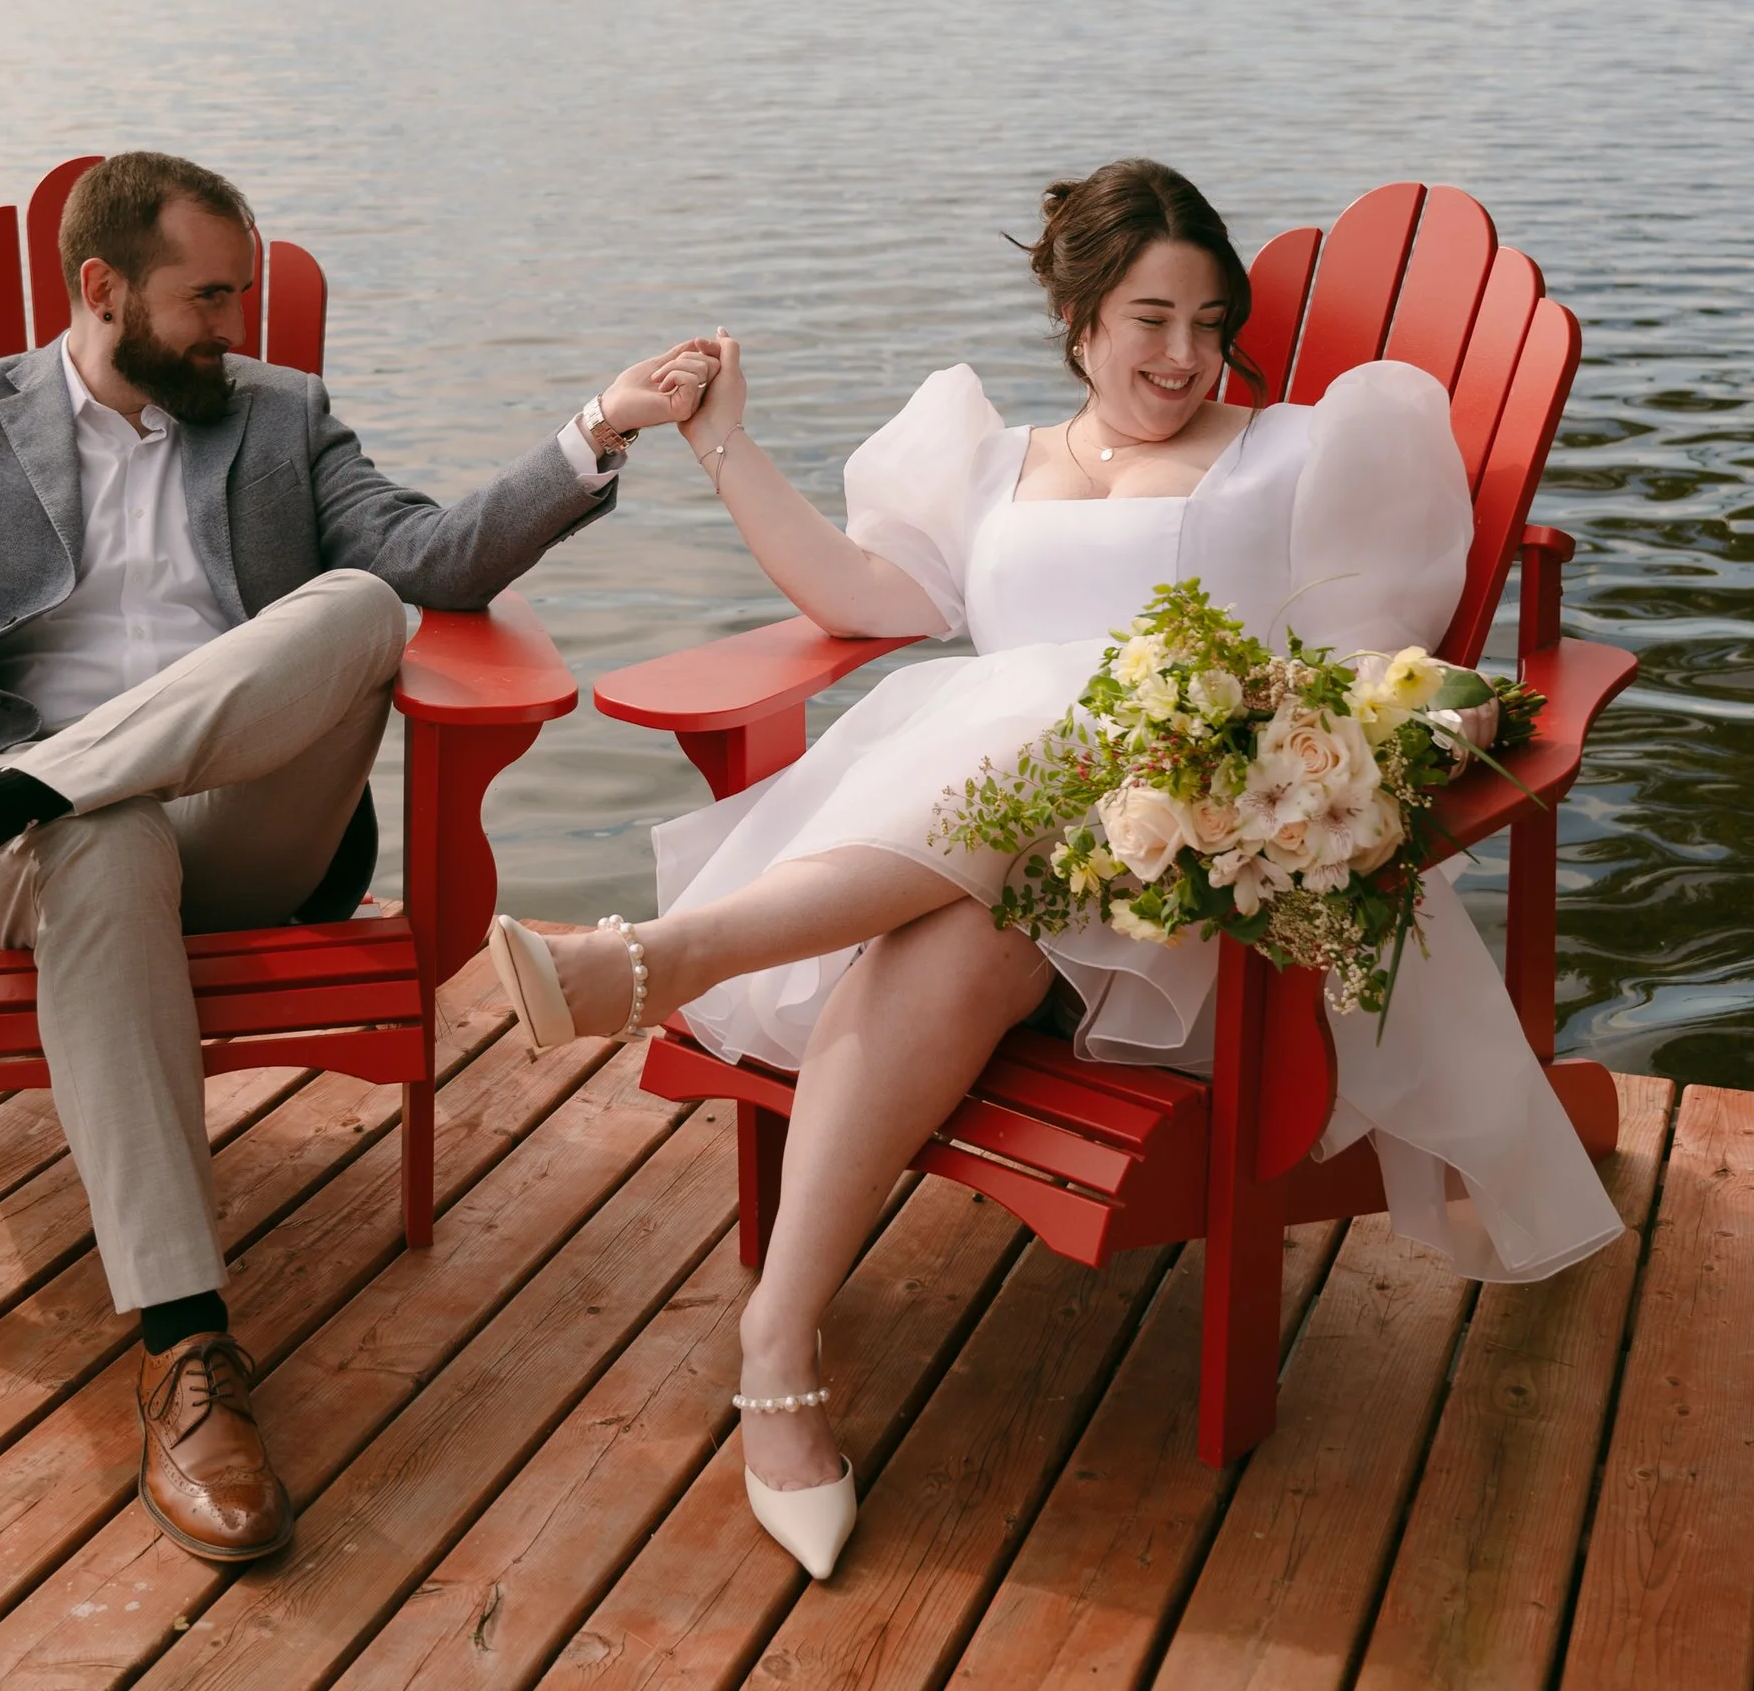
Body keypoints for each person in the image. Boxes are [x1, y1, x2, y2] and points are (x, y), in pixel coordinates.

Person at [488, 156, 1622, 1582]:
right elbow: (860, 599)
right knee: (963, 926)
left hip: (1186, 912)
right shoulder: (993, 464)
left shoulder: (1299, 456)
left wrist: (1276, 748)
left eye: (1214, 322)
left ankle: (674, 956)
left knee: (1082, 734)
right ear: (1078, 317)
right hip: (962, 868)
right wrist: (724, 445)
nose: (1187, 354)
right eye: (1151, 318)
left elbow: (1389, 672)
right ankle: (776, 1351)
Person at [0, 149, 709, 1565]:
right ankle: (186, 1353)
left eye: (243, 294)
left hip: (234, 833)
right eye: (206, 297)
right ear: (101, 288)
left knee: (361, 603)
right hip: (42, 873)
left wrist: (598, 428)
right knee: (97, 834)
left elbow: (435, 561)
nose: (235, 326)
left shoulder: (281, 418)